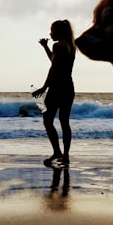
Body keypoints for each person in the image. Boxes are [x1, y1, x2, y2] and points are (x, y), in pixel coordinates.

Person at [32, 20, 75, 167]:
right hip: (68, 87)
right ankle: (66, 156)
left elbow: (54, 69)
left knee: (47, 120)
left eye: (52, 30)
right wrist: (45, 47)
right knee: (64, 123)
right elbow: (55, 61)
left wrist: (44, 88)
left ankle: (57, 152)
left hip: (57, 88)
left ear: (59, 31)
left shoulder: (58, 46)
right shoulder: (70, 46)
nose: (50, 33)